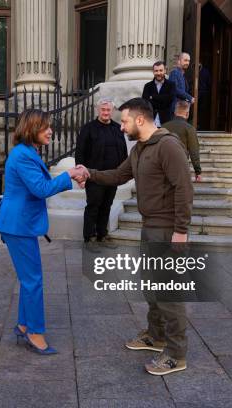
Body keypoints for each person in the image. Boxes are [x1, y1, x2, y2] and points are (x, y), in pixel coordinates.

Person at [80, 98, 193, 376]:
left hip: (167, 230)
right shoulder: (141, 149)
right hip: (150, 226)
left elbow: (184, 188)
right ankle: (156, 336)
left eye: (125, 121)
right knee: (151, 287)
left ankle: (176, 354)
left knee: (169, 294)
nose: (121, 127)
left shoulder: (168, 146)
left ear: (140, 120)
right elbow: (119, 175)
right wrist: (89, 173)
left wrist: (180, 230)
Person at [0, 109, 88, 355]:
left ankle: (25, 324)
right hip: (18, 225)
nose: (50, 131)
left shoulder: (26, 152)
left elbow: (38, 185)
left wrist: (71, 173)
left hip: (19, 224)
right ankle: (35, 332)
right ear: (30, 129)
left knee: (30, 279)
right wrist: (69, 174)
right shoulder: (23, 155)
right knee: (33, 280)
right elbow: (40, 188)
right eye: (45, 127)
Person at [75, 98, 128, 252]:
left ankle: (102, 235)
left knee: (106, 206)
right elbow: (80, 152)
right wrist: (81, 174)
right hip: (94, 176)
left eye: (108, 110)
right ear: (98, 110)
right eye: (103, 110)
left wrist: (123, 173)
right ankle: (89, 238)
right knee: (93, 206)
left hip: (112, 176)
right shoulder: (88, 129)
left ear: (112, 111)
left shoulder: (118, 128)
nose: (106, 113)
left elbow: (123, 151)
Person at [162, 100, 202, 182]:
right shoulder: (189, 128)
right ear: (187, 114)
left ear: (175, 112)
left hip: (163, 166)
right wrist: (197, 171)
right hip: (181, 166)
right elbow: (194, 151)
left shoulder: (163, 127)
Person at [142, 61, 176, 127]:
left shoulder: (171, 85)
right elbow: (145, 102)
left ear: (165, 71)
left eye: (161, 70)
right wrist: (162, 99)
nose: (158, 73)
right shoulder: (147, 86)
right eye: (156, 71)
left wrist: (153, 97)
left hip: (166, 121)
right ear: (153, 72)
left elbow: (169, 100)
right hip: (150, 121)